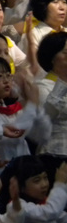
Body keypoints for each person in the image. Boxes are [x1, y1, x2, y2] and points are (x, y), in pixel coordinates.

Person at [36, 32, 67, 162]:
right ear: (52, 58)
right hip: (55, 154)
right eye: (66, 53)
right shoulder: (41, 86)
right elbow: (45, 120)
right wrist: (63, 81)